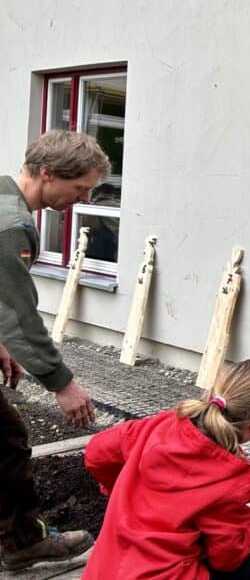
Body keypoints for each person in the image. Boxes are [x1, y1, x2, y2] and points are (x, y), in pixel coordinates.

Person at [0, 130, 108, 571]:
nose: (82, 198)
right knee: (6, 440)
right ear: (47, 173)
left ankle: (21, 538)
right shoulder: (11, 227)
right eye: (79, 186)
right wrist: (62, 384)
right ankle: (22, 541)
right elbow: (21, 317)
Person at [82, 360, 250, 580]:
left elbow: (96, 452)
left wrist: (120, 492)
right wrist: (244, 520)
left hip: (104, 571)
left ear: (210, 393)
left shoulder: (161, 425)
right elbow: (227, 558)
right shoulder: (234, 477)